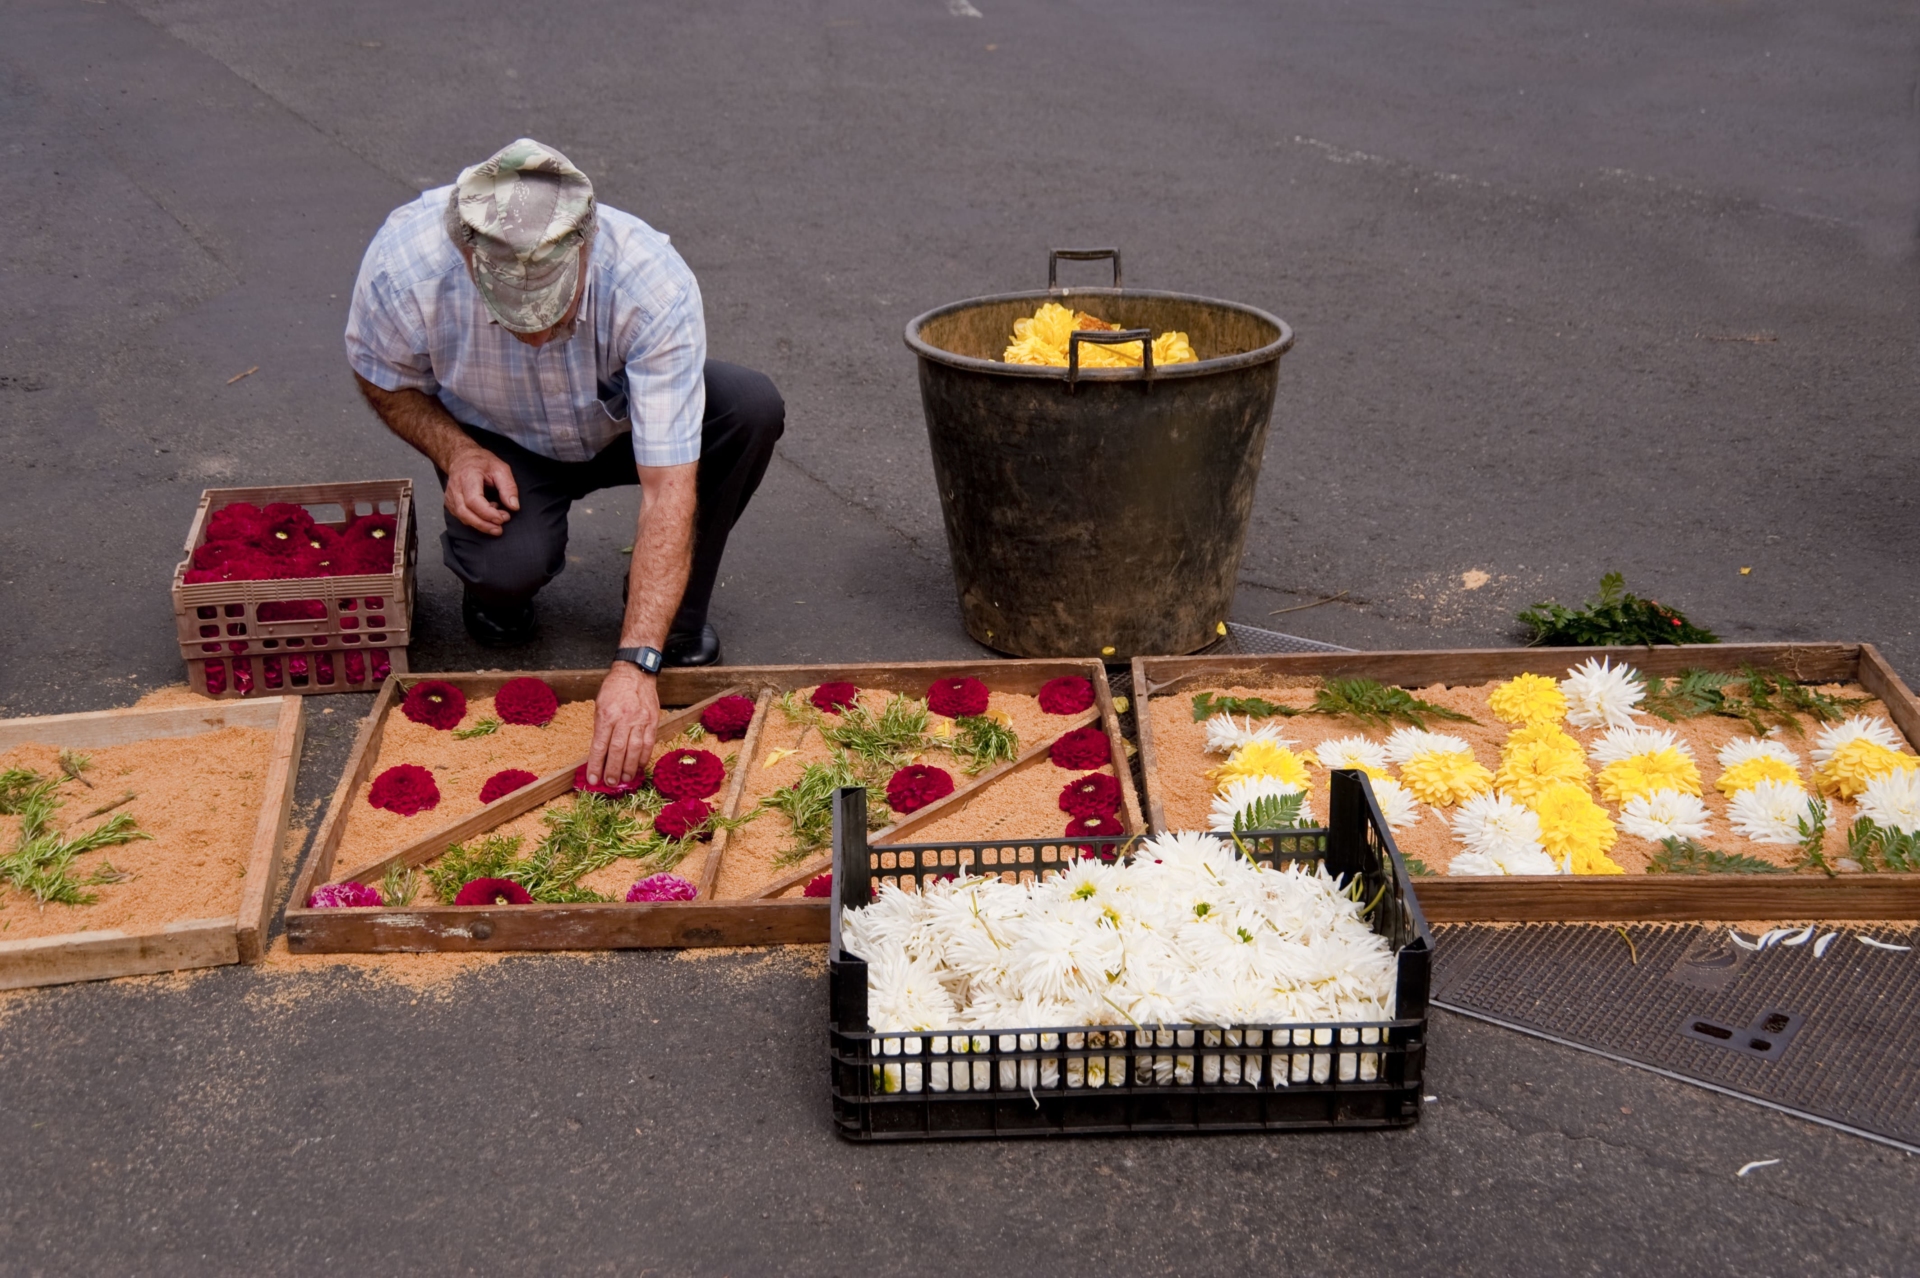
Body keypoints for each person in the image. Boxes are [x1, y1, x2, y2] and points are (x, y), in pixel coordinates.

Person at [345, 138, 782, 788]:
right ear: (468, 261)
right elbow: (381, 376)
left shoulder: (648, 282)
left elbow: (669, 489)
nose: (537, 334)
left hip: (622, 428)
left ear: (585, 248)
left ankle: (668, 611)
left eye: (554, 313)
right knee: (505, 570)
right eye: (514, 319)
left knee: (748, 407)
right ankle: (500, 591)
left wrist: (636, 664)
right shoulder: (404, 267)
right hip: (500, 440)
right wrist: (455, 450)